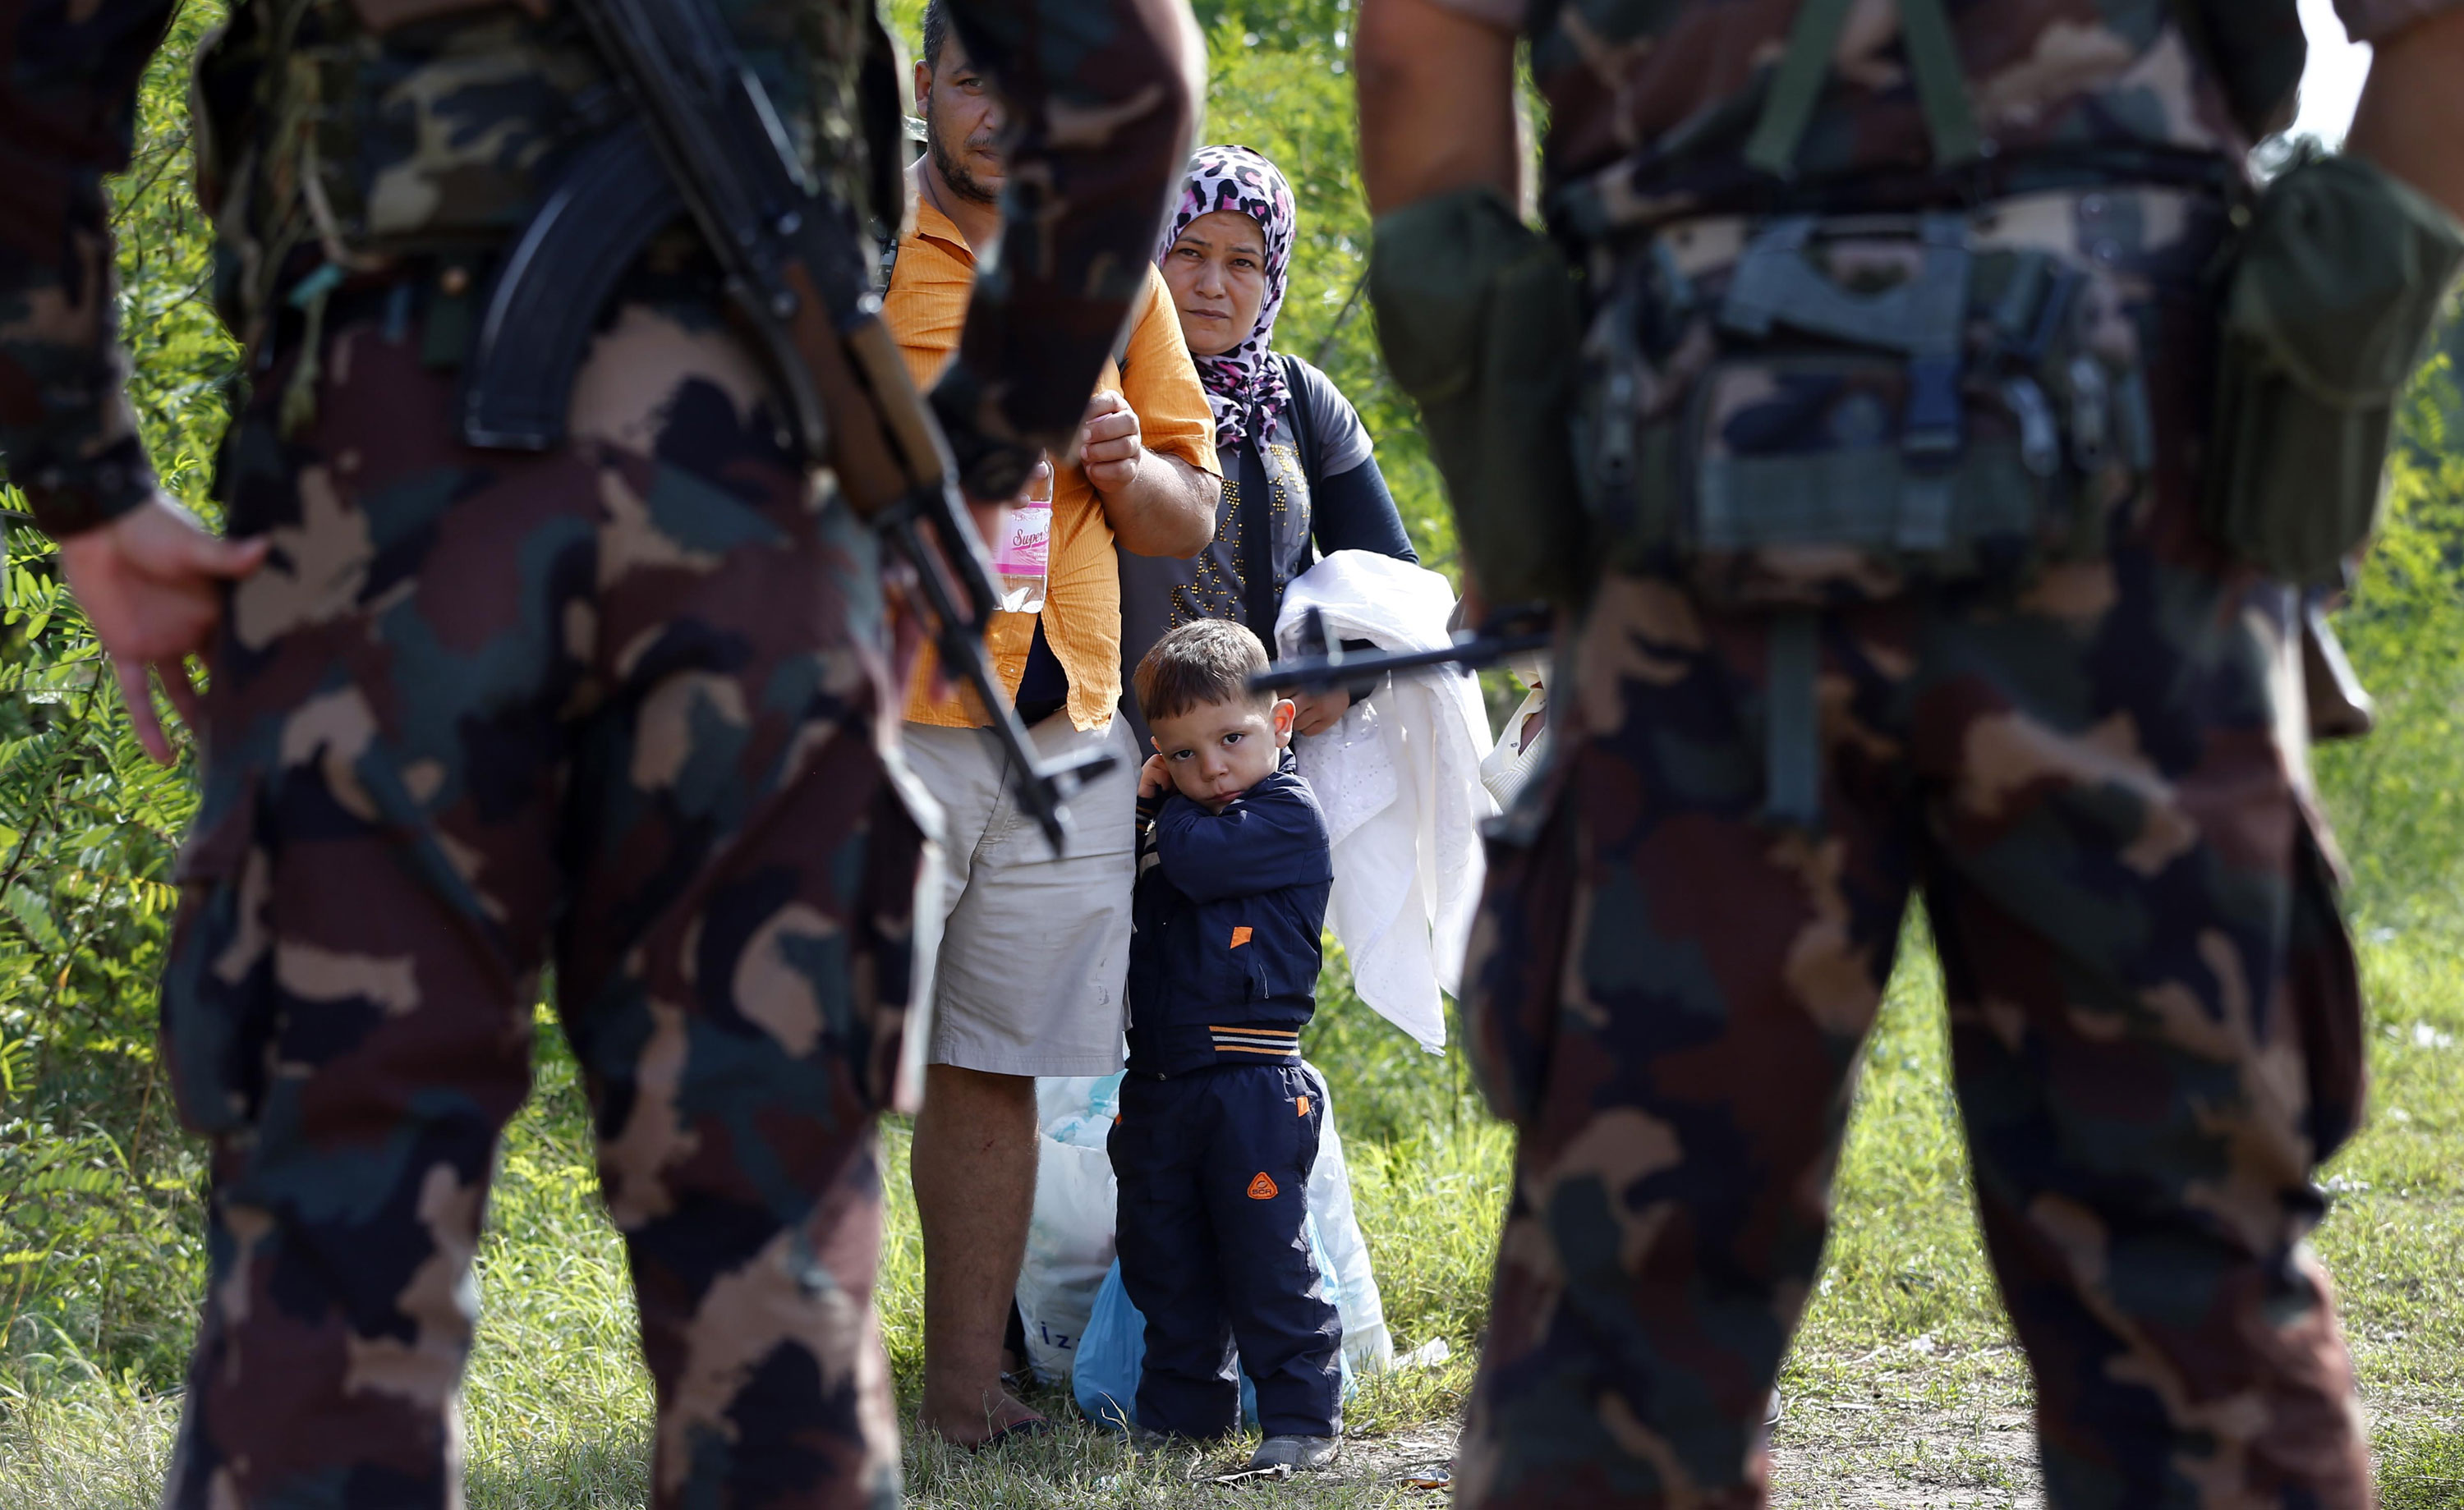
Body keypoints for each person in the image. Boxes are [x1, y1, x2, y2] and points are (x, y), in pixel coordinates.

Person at [0, 0, 1201, 1503]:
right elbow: (1134, 74)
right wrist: (954, 459)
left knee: (333, 1252)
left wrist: (89, 477)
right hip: (758, 538)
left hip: (376, 520)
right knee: (774, 1297)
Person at [1354, 0, 2464, 1507]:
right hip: (2130, 497)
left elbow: (1426, 40)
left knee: (1630, 1289)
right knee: (2185, 1277)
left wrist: (1515, 489)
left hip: (1699, 485)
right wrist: (2301, 419)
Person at [882, 0, 1224, 1448]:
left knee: (994, 1062)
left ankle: (964, 1397)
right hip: (873, 724)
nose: (1001, 114)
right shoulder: (843, 250)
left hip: (1062, 733)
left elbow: (1187, 506)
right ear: (925, 83)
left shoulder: (1110, 264)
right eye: (972, 81)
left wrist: (1128, 463)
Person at [1114, 618, 1342, 1475]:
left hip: (1251, 1081)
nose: (1209, 768)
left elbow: (1200, 865)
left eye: (1231, 739)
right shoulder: (1178, 816)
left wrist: (1153, 806)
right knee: (1163, 1254)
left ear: (1282, 724)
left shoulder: (1286, 815)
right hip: (1161, 1079)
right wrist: (1146, 814)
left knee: (1267, 1259)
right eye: (1180, 754)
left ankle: (1301, 1420)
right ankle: (1182, 1417)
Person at [1122, 145, 1418, 750]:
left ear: (1272, 275)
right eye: (1190, 253)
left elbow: (1394, 576)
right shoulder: (1108, 383)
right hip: (1127, 756)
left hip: (1278, 762)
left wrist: (1345, 679)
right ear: (1154, 254)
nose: (1212, 285)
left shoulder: (1300, 399)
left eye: (1242, 263)